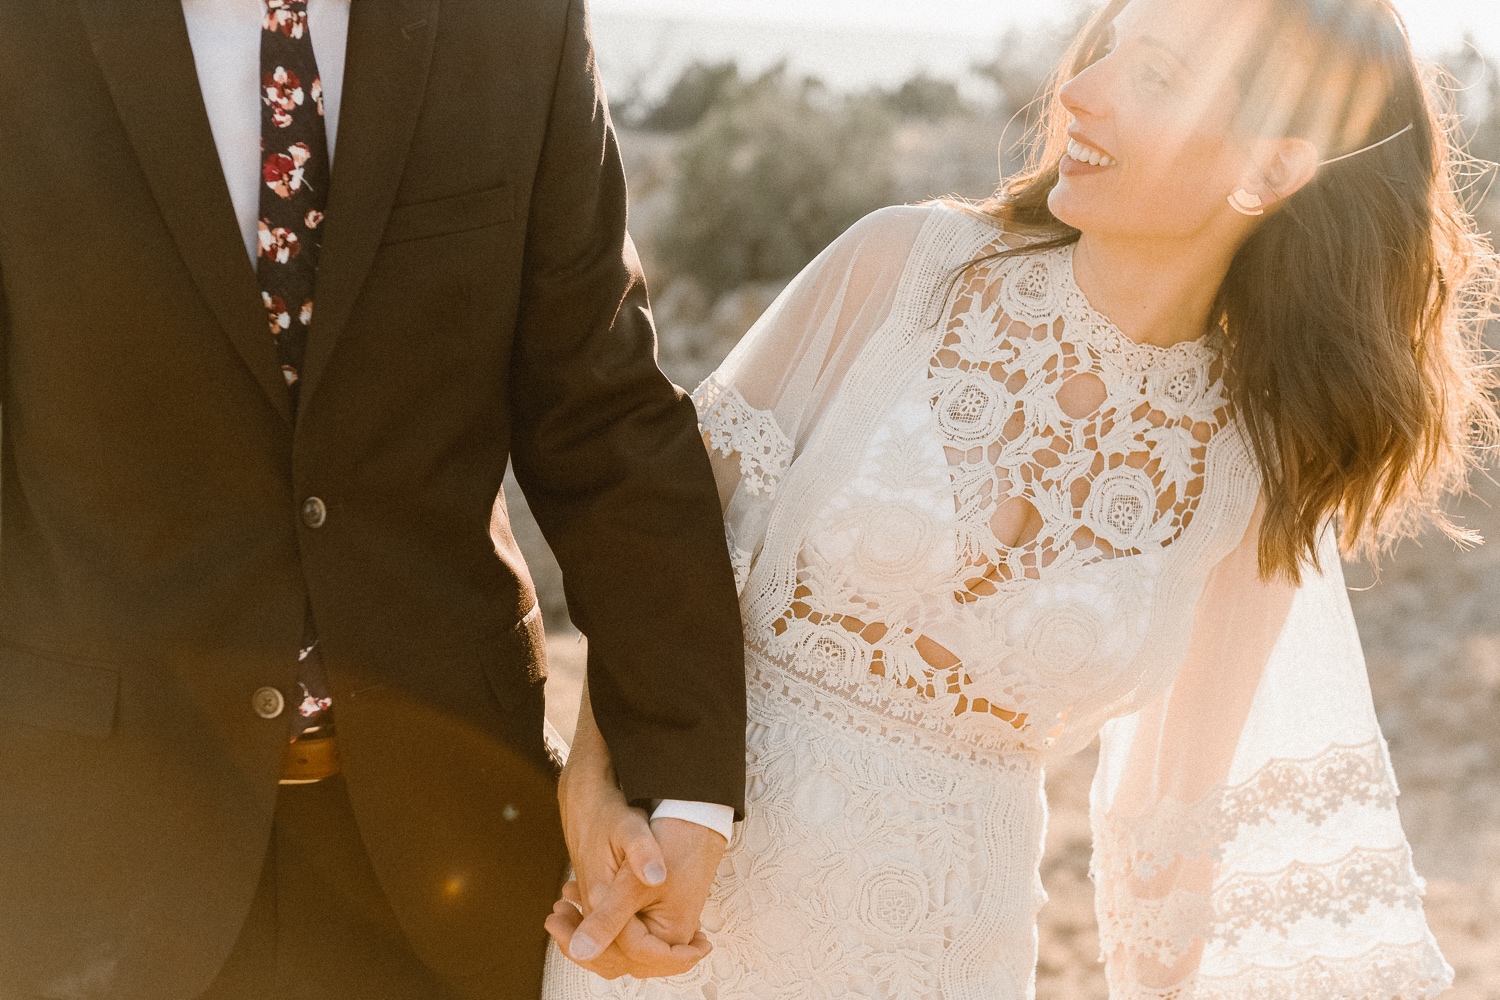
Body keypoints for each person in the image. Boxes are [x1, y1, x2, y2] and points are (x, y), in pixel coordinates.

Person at [543, 0, 1496, 995]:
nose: (1078, 92)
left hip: (951, 960)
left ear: (1270, 169)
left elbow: (1174, 834)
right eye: (1107, 53)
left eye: (1157, 77)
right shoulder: (897, 271)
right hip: (670, 923)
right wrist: (593, 781)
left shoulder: (1247, 474)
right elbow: (658, 537)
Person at [0, 1, 744, 997]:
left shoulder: (516, 25)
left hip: (447, 857)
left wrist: (680, 783)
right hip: (83, 853)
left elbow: (600, 412)